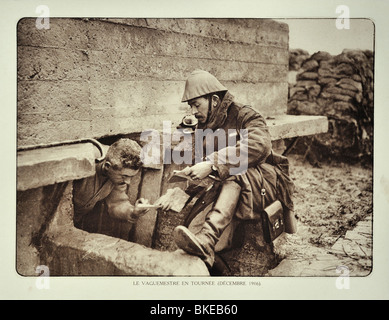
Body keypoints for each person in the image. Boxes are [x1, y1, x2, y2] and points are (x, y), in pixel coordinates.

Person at [158, 70, 296, 269]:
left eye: (196, 104)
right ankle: (211, 258)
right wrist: (177, 193)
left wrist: (214, 163)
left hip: (262, 182)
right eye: (190, 106)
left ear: (214, 100)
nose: (193, 111)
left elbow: (260, 146)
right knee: (191, 233)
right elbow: (202, 167)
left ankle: (209, 235)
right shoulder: (203, 126)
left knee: (236, 170)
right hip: (226, 187)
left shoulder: (246, 115)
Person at [73, 138, 150, 230]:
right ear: (107, 166)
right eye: (124, 176)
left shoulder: (116, 175)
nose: (128, 182)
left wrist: (133, 212)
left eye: (131, 177)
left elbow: (116, 203)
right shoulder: (83, 161)